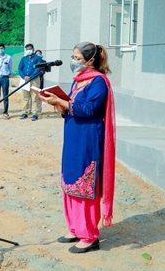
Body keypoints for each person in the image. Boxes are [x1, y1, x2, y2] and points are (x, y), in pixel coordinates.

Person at [39, 42, 116, 254]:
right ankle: (75, 227)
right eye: (73, 57)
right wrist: (57, 103)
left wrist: (63, 103)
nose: (74, 62)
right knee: (71, 180)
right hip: (73, 136)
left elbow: (89, 109)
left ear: (91, 60)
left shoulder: (99, 82)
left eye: (78, 58)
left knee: (85, 183)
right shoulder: (78, 81)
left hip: (88, 139)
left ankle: (90, 235)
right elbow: (72, 107)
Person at [18, 43, 43, 121]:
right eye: (27, 49)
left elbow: (38, 69)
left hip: (34, 79)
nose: (28, 50)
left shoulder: (38, 58)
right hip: (24, 80)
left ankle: (36, 113)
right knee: (26, 97)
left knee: (35, 97)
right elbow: (19, 68)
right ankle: (26, 112)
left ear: (33, 49)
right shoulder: (23, 59)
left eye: (30, 49)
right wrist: (24, 76)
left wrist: (31, 77)